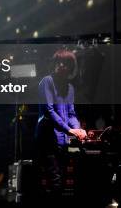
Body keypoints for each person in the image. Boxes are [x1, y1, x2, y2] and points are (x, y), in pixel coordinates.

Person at [36, 49, 86, 196]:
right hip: (47, 138)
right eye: (59, 62)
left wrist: (78, 129)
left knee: (63, 179)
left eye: (65, 63)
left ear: (71, 67)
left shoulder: (70, 88)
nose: (61, 65)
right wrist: (70, 130)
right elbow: (49, 111)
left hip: (62, 140)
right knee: (55, 180)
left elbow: (71, 114)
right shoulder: (47, 81)